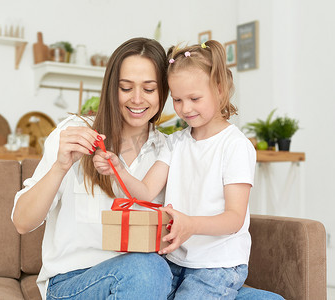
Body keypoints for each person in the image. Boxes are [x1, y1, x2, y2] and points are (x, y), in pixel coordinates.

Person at [94, 40, 284, 300]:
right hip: (175, 260)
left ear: (219, 90)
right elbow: (146, 191)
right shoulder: (175, 143)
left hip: (216, 266)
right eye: (177, 100)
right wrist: (120, 170)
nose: (185, 108)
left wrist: (190, 225)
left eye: (194, 98)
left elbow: (234, 218)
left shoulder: (235, 146)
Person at [11, 37, 173, 300]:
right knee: (147, 269)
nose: (137, 99)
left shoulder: (168, 150)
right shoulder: (74, 133)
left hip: (148, 284)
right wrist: (60, 167)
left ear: (163, 92)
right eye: (126, 87)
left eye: (149, 89)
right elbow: (22, 222)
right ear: (112, 88)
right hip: (73, 283)